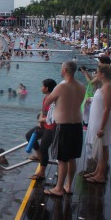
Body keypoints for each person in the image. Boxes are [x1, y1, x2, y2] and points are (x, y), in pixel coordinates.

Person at [43, 60, 85, 197]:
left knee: (62, 159)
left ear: (65, 70)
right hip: (77, 125)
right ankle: (68, 185)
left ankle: (59, 188)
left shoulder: (61, 87)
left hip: (64, 126)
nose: (61, 71)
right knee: (72, 157)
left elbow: (48, 101)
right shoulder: (82, 86)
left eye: (62, 69)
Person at [83, 64, 111, 184]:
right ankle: (97, 171)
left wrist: (102, 127)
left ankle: (101, 175)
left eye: (97, 72)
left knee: (103, 146)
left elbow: (107, 108)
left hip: (102, 120)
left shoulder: (108, 87)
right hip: (97, 119)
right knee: (99, 145)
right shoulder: (105, 85)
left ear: (102, 74)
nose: (96, 74)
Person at [26, 78, 58, 180]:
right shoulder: (46, 98)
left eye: (42, 86)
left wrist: (41, 120)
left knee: (44, 147)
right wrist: (40, 121)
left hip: (51, 128)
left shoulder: (53, 100)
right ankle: (39, 155)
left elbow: (53, 117)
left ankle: (42, 172)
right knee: (29, 135)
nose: (41, 88)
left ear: (47, 88)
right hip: (44, 126)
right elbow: (44, 112)